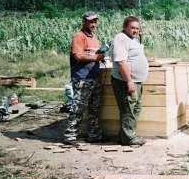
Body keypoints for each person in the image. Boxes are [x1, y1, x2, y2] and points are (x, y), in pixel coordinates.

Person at [64, 11, 105, 146]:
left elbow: (94, 55)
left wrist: (101, 57)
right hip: (82, 78)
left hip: (94, 76)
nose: (93, 24)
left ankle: (93, 135)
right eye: (90, 21)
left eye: (94, 21)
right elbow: (78, 56)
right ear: (84, 22)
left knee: (94, 108)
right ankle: (70, 135)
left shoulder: (93, 37)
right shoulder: (79, 36)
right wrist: (96, 58)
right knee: (78, 107)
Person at [111, 16, 149, 146]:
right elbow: (121, 62)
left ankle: (125, 136)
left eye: (137, 28)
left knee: (135, 107)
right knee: (129, 109)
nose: (135, 30)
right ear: (125, 27)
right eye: (132, 28)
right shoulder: (120, 39)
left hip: (136, 80)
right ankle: (129, 138)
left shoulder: (131, 39)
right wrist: (129, 81)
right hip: (125, 81)